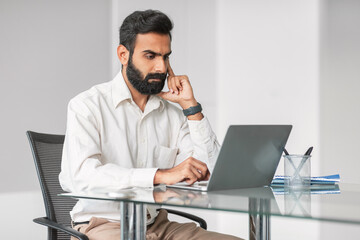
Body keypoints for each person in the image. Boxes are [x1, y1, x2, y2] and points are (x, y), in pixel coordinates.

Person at [59, 9, 243, 240]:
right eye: (150, 56)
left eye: (165, 57)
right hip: (103, 225)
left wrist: (191, 107)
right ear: (123, 54)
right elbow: (79, 177)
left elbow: (210, 172)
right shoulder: (87, 105)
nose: (161, 68)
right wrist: (159, 175)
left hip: (159, 225)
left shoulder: (174, 115)